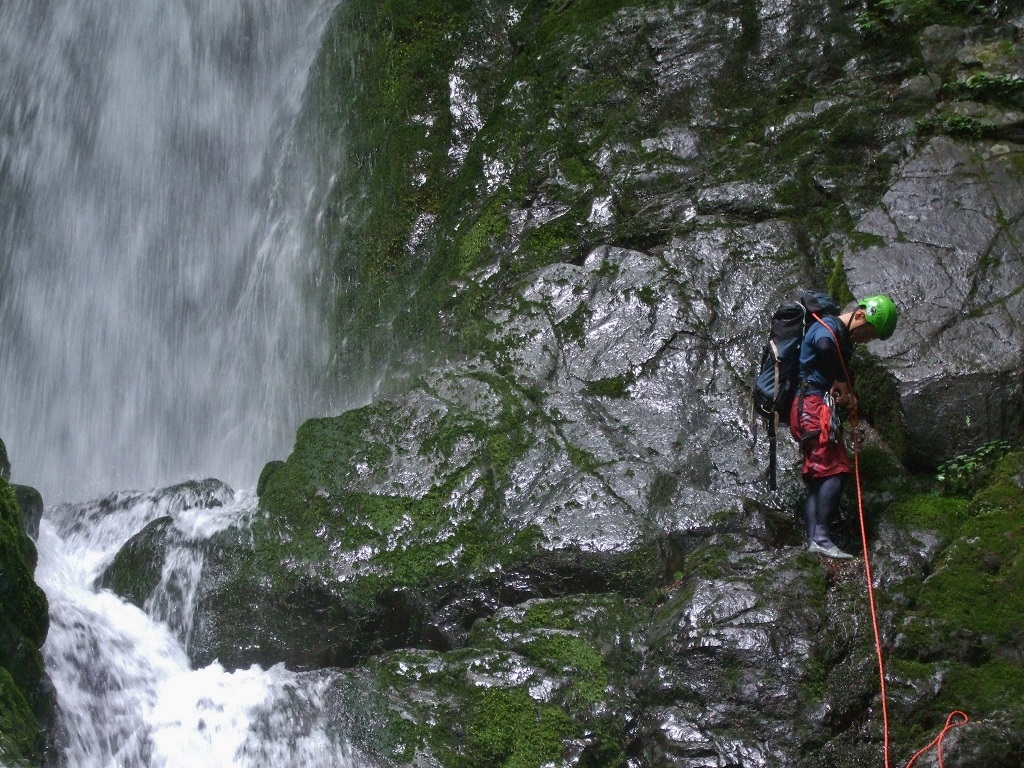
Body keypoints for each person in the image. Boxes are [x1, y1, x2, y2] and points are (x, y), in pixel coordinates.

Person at [789, 294, 899, 559]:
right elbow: (825, 347)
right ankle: (821, 538)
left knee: (821, 478)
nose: (866, 340)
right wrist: (840, 380)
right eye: (869, 333)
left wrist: (845, 392)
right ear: (861, 316)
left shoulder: (840, 337)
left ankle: (815, 540)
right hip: (812, 407)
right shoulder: (827, 326)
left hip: (813, 407)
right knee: (834, 471)